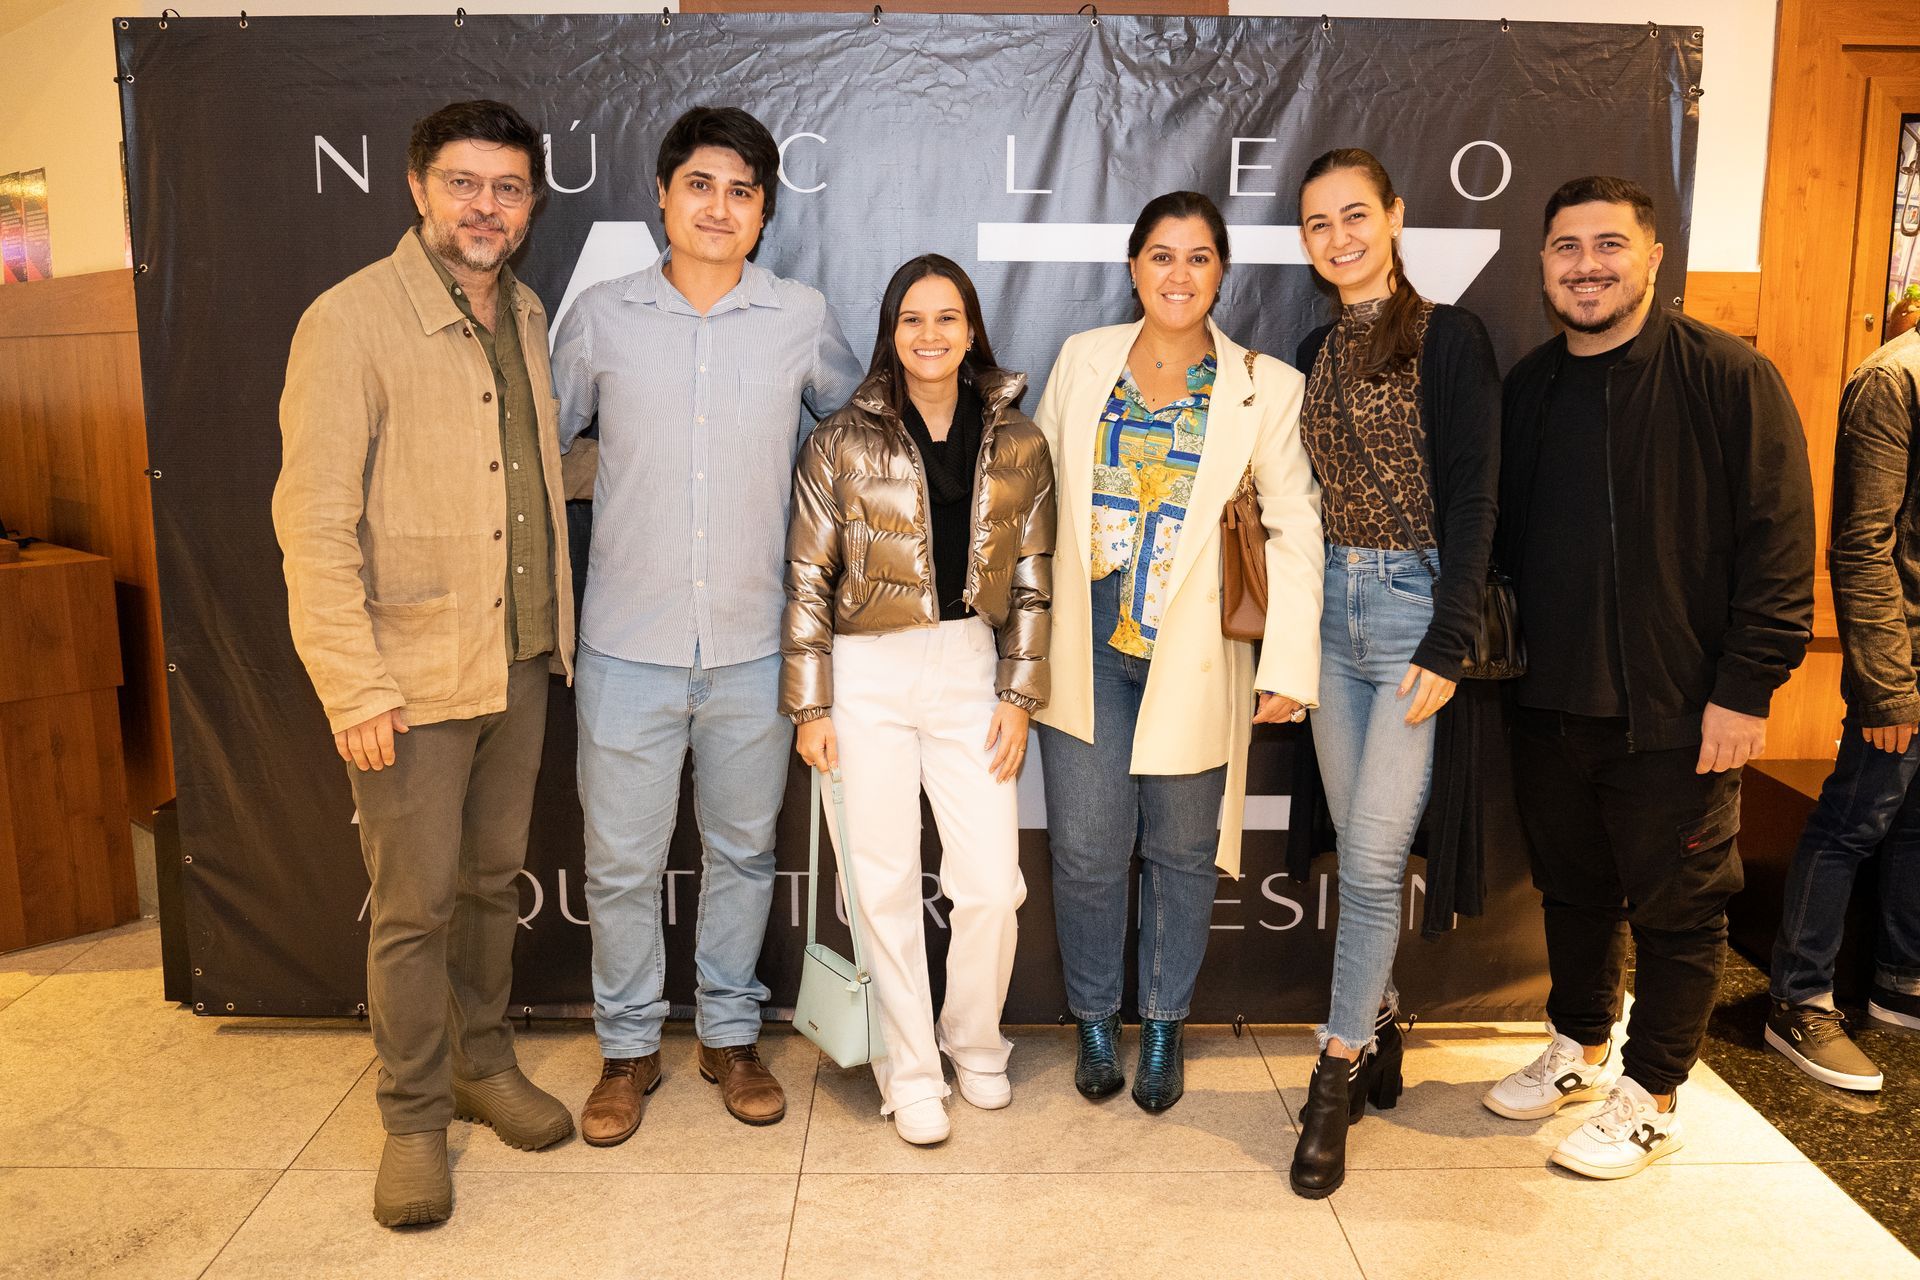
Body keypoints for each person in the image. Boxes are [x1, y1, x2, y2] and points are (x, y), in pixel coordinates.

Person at [272, 100, 576, 1226]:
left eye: (506, 188)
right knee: (411, 907)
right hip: (407, 676)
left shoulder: (530, 313)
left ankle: (480, 1062)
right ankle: (411, 1115)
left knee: (491, 882)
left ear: (530, 204)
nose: (485, 206)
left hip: (522, 658)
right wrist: (352, 683)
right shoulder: (349, 321)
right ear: (417, 188)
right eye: (464, 183)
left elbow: (526, 468)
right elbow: (310, 521)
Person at [1486, 176, 1814, 1179]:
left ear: (1653, 255)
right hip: (1547, 702)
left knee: (1681, 909)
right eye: (1566, 247)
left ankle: (1655, 1089)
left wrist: (1746, 687)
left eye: (1608, 244)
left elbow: (1780, 543)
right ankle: (1581, 1043)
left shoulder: (1728, 377)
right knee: (1575, 891)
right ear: (1542, 265)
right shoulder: (1529, 387)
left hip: (1680, 710)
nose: (1587, 264)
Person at [551, 106, 863, 1146]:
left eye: (740, 190)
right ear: (663, 194)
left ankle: (730, 1035)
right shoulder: (600, 315)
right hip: (624, 645)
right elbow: (538, 451)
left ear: (764, 209)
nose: (718, 206)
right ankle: (628, 1048)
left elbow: (856, 443)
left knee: (740, 850)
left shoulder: (800, 316)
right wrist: (629, 473)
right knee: (621, 863)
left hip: (754, 645)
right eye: (699, 185)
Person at [1033, 191, 1323, 1113]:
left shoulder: (1263, 384)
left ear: (1221, 274)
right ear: (1133, 267)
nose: (1179, 275)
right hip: (1087, 641)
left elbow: (1294, 529)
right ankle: (1092, 1021)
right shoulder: (1083, 362)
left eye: (1199, 258)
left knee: (1184, 851)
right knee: (1084, 849)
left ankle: (1162, 1024)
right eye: (1162, 256)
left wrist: (1287, 665)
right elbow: (1033, 500)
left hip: (1193, 650)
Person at [781, 254, 1055, 1145]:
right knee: (884, 884)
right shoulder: (839, 442)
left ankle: (974, 1041)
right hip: (865, 676)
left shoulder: (1019, 442)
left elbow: (1034, 583)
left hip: (971, 669)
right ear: (890, 332)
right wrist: (812, 706)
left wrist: (1017, 694)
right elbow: (807, 581)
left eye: (947, 318)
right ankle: (910, 1070)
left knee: (990, 884)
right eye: (912, 319)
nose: (929, 335)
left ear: (972, 329)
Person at [1286, 148, 1502, 1199]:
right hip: (1331, 618)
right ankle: (1379, 1019)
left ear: (1396, 218)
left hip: (1416, 614)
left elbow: (1476, 500)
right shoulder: (1311, 348)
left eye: (1356, 215)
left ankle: (1332, 1077)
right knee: (1354, 849)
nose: (1340, 236)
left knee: (1372, 860)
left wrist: (1447, 639)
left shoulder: (1452, 338)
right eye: (1320, 222)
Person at [1766, 324, 1920, 1091]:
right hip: (1903, 655)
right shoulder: (1894, 379)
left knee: (1916, 822)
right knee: (1853, 819)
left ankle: (1901, 980)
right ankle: (1800, 998)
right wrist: (1888, 682)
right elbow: (1862, 543)